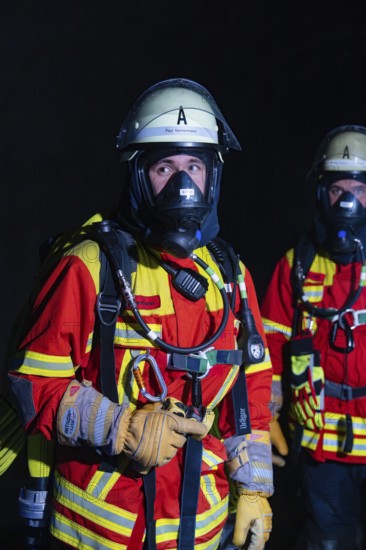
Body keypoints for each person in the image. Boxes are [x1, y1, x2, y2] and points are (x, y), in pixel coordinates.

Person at [7, 78, 273, 550]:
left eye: (195, 165)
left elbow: (249, 393)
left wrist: (253, 489)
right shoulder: (91, 266)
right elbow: (33, 384)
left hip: (201, 528)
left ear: (214, 175)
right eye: (164, 167)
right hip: (103, 531)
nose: (183, 185)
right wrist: (120, 427)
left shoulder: (230, 275)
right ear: (136, 174)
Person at [261, 124, 366, 550]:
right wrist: (262, 417)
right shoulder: (297, 266)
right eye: (337, 188)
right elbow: (266, 348)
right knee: (329, 543)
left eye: (358, 190)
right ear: (320, 193)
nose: (347, 201)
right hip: (323, 453)